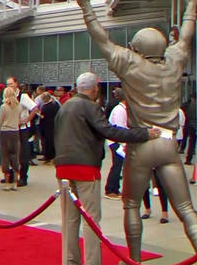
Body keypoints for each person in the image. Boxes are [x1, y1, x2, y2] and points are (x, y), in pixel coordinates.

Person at [74, 0, 197, 263]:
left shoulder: (129, 63)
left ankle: (135, 260)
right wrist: (192, 6)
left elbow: (101, 38)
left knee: (131, 206)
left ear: (136, 48)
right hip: (169, 143)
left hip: (142, 144)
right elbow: (185, 37)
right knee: (186, 208)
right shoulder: (173, 60)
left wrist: (87, 7)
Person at [54, 72, 159, 265]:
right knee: (91, 220)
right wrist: (144, 134)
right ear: (94, 88)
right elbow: (109, 131)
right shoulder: (91, 106)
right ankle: (92, 261)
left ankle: (69, 261)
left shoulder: (65, 106)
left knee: (69, 220)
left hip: (63, 167)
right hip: (85, 167)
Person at [6, 76, 38, 187]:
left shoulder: (23, 97)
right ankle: (11, 175)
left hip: (22, 129)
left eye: (11, 84)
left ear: (16, 84)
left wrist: (26, 119)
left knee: (23, 153)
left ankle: (23, 177)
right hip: (11, 128)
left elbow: (35, 108)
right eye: (7, 84)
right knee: (11, 152)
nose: (9, 86)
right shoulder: (6, 96)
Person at [104, 88, 127, 200]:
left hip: (118, 140)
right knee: (117, 166)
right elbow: (119, 128)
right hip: (116, 141)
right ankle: (110, 189)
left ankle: (115, 188)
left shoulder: (122, 109)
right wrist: (123, 143)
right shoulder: (120, 110)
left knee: (118, 165)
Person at [0, 87, 21, 190]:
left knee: (5, 157)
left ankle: (7, 183)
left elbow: (0, 121)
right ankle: (15, 182)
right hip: (15, 132)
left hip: (5, 132)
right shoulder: (19, 106)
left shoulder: (3, 107)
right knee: (15, 156)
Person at [38, 92, 59, 163]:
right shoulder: (55, 104)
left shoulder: (46, 107)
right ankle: (53, 156)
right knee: (53, 141)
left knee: (47, 142)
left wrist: (39, 115)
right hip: (55, 125)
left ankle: (48, 156)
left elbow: (43, 117)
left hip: (47, 126)